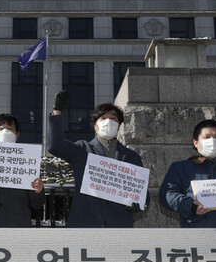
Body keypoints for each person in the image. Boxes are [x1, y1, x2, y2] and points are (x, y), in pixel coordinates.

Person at [47, 92, 144, 228]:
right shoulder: (82, 150)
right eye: (103, 118)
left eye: (113, 118)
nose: (108, 121)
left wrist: (137, 203)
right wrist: (57, 112)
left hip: (118, 227)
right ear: (95, 126)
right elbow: (55, 146)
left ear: (119, 125)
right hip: (84, 225)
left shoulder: (132, 157)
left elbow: (143, 195)